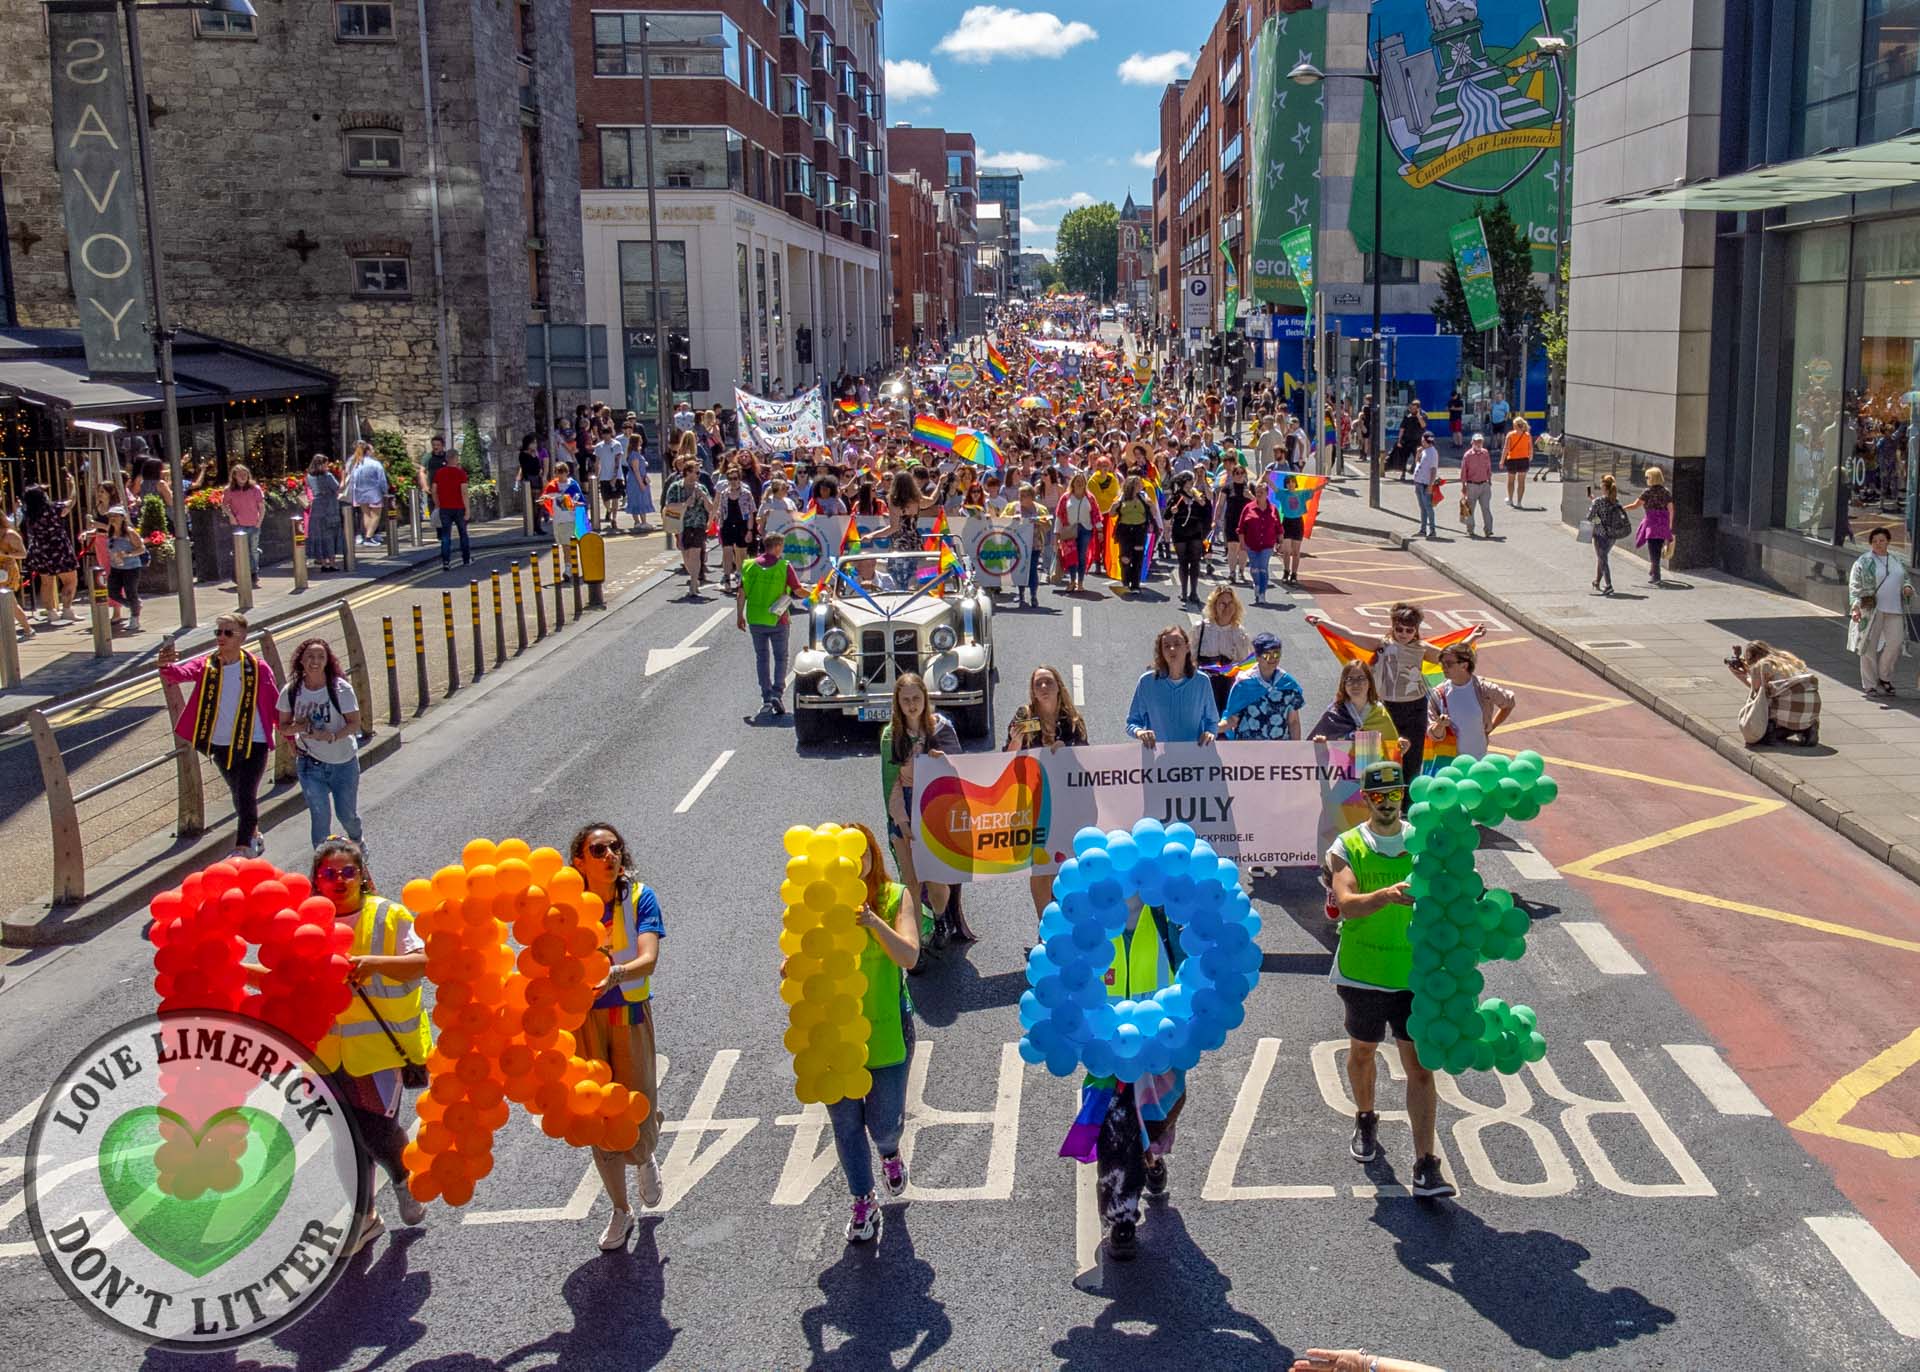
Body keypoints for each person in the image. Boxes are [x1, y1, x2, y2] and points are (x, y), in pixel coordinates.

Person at [264, 837, 430, 1255]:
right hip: (322, 1053)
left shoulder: (388, 916)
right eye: (329, 874)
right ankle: (365, 1219)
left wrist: (371, 964)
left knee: (374, 1129)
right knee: (343, 1136)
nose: (340, 881)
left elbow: (423, 963)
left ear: (363, 876)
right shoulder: (303, 925)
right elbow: (277, 980)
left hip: (380, 1053)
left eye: (348, 872)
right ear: (316, 881)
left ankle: (402, 1176)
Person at [1324, 760, 1455, 1199]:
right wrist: (1386, 895)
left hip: (1415, 975)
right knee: (1362, 1052)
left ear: (1403, 795)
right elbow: (1346, 902)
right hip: (1363, 973)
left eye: (1393, 794)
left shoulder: (1423, 841)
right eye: (1377, 796)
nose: (1385, 802)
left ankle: (1425, 1164)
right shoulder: (1347, 846)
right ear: (1365, 798)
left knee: (1418, 1067)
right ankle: (1365, 1116)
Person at [787, 821, 918, 1243]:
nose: (849, 865)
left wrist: (873, 923)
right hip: (831, 1033)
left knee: (882, 1124)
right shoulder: (816, 902)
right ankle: (863, 1200)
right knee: (845, 1125)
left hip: (886, 1030)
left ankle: (889, 1150)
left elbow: (910, 957)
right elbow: (799, 961)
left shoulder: (895, 897)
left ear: (871, 856)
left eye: (857, 855)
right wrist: (795, 966)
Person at [568, 822, 666, 1250]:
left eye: (615, 847)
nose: (610, 855)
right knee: (597, 1117)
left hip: (627, 1014)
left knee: (637, 1109)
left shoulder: (640, 898)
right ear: (579, 862)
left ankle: (645, 1155)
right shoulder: (564, 906)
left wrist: (615, 974)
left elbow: (648, 959)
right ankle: (620, 1211)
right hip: (583, 1024)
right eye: (598, 849)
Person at [1307, 604, 1477, 779]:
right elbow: (1351, 634)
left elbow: (1449, 654)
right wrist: (1322, 622)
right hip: (1386, 708)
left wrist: (1471, 638)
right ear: (1393, 627)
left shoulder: (1421, 648)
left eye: (1409, 630)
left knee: (1411, 758)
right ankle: (1378, 795)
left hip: (1415, 709)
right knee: (1381, 754)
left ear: (1416, 630)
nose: (1403, 634)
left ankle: (1407, 800)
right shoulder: (1382, 644)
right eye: (1399, 629)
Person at [158, 613, 277, 857]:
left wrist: (290, 736)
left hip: (254, 741)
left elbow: (274, 704)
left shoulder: (259, 668)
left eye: (228, 632)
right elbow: (177, 674)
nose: (221, 637)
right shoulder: (207, 665)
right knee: (238, 793)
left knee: (245, 792)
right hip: (220, 743)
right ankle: (253, 833)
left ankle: (242, 847)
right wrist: (164, 664)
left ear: (242, 637)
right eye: (218, 632)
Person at [1003, 665, 1089, 921]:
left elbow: (1088, 759)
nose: (1043, 688)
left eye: (1048, 682)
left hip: (1066, 803)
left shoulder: (1072, 721)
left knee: (1065, 863)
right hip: (1034, 802)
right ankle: (1045, 924)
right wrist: (1016, 741)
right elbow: (1006, 760)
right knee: (1040, 866)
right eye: (1038, 683)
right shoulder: (1023, 717)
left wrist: (1067, 751)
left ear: (1059, 686)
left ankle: (1067, 918)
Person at [881, 674, 961, 939]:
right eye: (906, 700)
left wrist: (942, 760)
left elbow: (959, 774)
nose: (912, 705)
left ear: (926, 699)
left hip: (932, 805)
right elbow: (890, 782)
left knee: (937, 878)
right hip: (903, 806)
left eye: (916, 698)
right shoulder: (891, 736)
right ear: (898, 703)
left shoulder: (939, 728)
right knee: (912, 881)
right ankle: (915, 941)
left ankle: (939, 918)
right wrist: (902, 822)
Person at [278, 636, 363, 850]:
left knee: (347, 815)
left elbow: (354, 723)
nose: (315, 661)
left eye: (320, 657)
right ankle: (321, 864)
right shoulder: (291, 691)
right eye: (310, 656)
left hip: (343, 762)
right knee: (320, 816)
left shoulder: (339, 689)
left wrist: (332, 736)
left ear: (327, 661)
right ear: (301, 660)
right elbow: (284, 727)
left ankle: (358, 842)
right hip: (310, 763)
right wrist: (301, 728)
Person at [736, 531, 805, 718]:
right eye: (781, 547)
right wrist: (815, 594)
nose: (782, 551)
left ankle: (766, 696)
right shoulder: (784, 566)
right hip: (778, 619)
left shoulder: (749, 566)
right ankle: (777, 693)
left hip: (756, 619)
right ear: (776, 547)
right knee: (781, 657)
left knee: (762, 658)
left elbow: (741, 593)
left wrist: (739, 616)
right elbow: (797, 590)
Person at [1126, 624, 1220, 747]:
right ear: (1161, 652)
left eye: (1177, 644)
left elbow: (1212, 721)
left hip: (1193, 757)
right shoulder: (1146, 682)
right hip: (1158, 759)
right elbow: (1132, 723)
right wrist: (1140, 732)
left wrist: (1209, 733)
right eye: (1166, 646)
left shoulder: (1202, 681)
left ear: (1187, 648)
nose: (1172, 649)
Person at [1425, 642, 1515, 763]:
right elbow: (1433, 735)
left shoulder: (1484, 689)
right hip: (1448, 763)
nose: (1443, 667)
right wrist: (1440, 725)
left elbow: (1509, 703)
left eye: (1449, 664)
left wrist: (1491, 727)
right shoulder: (1438, 695)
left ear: (1464, 665)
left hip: (1477, 761)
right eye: (1442, 663)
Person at [1849, 527, 1913, 696]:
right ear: (1870, 543)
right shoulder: (1863, 561)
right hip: (1871, 610)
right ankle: (1869, 684)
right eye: (1875, 541)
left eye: (1882, 540)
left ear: (1888, 541)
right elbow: (1855, 586)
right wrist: (1856, 608)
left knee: (1895, 644)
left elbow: (1905, 577)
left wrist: (1907, 587)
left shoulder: (1895, 560)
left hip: (1894, 609)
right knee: (1868, 647)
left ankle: (1884, 677)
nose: (1878, 544)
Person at [1729, 640, 1821, 747]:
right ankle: (1808, 729)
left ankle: (1770, 734)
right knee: (1785, 698)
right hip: (1811, 710)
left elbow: (1758, 691)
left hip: (1788, 713)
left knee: (1763, 702)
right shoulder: (1787, 657)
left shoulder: (1761, 665)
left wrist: (1741, 675)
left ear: (1751, 657)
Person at [1220, 632, 1304, 741]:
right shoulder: (1244, 684)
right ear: (1257, 656)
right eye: (1266, 655)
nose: (1272, 659)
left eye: (1276, 654)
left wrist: (1296, 749)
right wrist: (1213, 729)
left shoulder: (1288, 685)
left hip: (1278, 750)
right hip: (1248, 749)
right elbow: (1232, 718)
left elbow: (1293, 721)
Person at [21, 483, 79, 624]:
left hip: (40, 549)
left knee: (46, 582)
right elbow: (71, 503)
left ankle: (51, 612)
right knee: (70, 580)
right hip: (58, 547)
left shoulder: (29, 513)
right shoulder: (52, 508)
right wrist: (72, 487)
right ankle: (67, 609)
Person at [1310, 660, 1401, 748]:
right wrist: (1320, 745)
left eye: (1361, 678)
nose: (1356, 684)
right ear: (1343, 684)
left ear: (1370, 683)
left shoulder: (1380, 714)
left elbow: (1392, 750)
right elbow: (1308, 751)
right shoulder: (1333, 715)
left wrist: (1401, 748)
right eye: (1350, 679)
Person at [1194, 584, 1253, 714]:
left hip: (1228, 687)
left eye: (1231, 603)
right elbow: (1190, 658)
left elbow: (1245, 664)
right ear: (1214, 605)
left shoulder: (1239, 632)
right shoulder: (1200, 628)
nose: (1227, 607)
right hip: (1204, 685)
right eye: (1222, 603)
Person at [663, 458, 715, 595]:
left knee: (696, 553)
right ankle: (693, 576)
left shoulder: (701, 488)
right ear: (687, 473)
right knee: (686, 555)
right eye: (695, 473)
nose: (697, 476)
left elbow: (710, 508)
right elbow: (669, 506)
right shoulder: (676, 487)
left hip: (698, 524)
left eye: (698, 473)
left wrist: (703, 496)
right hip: (681, 525)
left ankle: (693, 582)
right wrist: (685, 503)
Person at [1165, 472, 1212, 604]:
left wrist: (1202, 504)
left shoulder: (1197, 496)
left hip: (1195, 531)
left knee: (1195, 562)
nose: (1191, 483)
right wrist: (1172, 511)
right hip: (1180, 531)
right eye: (1189, 481)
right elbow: (1167, 516)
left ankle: (1194, 592)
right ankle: (1184, 591)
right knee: (1183, 562)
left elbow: (1206, 512)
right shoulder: (1176, 497)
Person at [1625, 466, 1673, 585]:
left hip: (1652, 524)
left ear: (1652, 478)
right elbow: (1671, 509)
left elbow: (1635, 505)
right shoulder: (1666, 492)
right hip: (1663, 523)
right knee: (1657, 547)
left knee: (1653, 551)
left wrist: (1622, 508)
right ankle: (1654, 571)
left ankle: (1656, 576)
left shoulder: (1648, 492)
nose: (1646, 479)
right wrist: (1670, 525)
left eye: (1647, 477)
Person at [1585, 474, 1632, 595]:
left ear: (1604, 487)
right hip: (1613, 535)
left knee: (1602, 559)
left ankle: (1609, 585)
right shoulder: (1615, 500)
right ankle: (1597, 581)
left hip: (1600, 535)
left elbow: (1590, 517)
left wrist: (1598, 521)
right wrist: (1593, 501)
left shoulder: (1598, 502)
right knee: (1602, 558)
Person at [715, 465, 758, 594]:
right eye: (730, 479)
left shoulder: (746, 494)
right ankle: (727, 577)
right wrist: (719, 522)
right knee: (727, 551)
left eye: (735, 478)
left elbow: (751, 512)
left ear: (739, 479)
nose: (733, 481)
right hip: (727, 525)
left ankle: (741, 575)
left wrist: (750, 530)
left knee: (741, 553)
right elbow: (721, 510)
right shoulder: (724, 493)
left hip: (742, 525)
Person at [1237, 480, 1280, 606]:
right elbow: (1241, 527)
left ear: (1267, 493)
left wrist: (1280, 541)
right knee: (1254, 569)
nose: (1259, 494)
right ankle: (1257, 584)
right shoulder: (1248, 508)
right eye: (1257, 492)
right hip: (1252, 543)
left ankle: (1262, 593)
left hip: (1267, 544)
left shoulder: (1273, 509)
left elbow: (1278, 527)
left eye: (1261, 492)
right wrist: (1242, 542)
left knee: (1263, 567)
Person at [103, 506, 145, 634]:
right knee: (112, 592)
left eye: (115, 516)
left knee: (130, 591)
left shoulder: (129, 532)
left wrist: (127, 554)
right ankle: (134, 605)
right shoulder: (110, 532)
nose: (112, 519)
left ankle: (134, 618)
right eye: (110, 516)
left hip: (131, 567)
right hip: (116, 567)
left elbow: (141, 548)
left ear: (122, 518)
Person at [1111, 475, 1156, 594]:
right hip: (1124, 530)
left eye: (1140, 484)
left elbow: (1154, 512)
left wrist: (1151, 504)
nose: (1140, 486)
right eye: (1137, 484)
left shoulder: (1144, 496)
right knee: (1125, 557)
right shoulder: (1122, 497)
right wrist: (1116, 504)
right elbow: (1112, 513)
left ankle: (1135, 584)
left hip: (1139, 530)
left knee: (1137, 557)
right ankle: (1126, 580)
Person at [1055, 471, 1097, 593]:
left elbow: (1095, 514)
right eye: (1077, 481)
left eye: (1082, 482)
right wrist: (1056, 534)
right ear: (1072, 483)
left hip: (1085, 530)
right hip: (1069, 530)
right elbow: (1059, 515)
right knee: (1071, 556)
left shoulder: (1090, 498)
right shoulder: (1065, 498)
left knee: (1081, 556)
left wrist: (1099, 530)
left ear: (1085, 484)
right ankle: (1072, 581)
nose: (1079, 484)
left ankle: (1080, 582)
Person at [544, 460, 586, 577]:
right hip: (560, 520)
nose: (560, 474)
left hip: (573, 519)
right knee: (565, 546)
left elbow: (582, 502)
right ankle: (569, 568)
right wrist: (545, 499)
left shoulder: (573, 485)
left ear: (567, 472)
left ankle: (577, 568)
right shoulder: (552, 486)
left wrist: (573, 503)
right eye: (557, 472)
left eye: (562, 472)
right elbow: (545, 498)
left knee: (577, 544)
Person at [431, 450, 471, 568]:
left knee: (445, 536)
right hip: (459, 508)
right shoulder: (461, 473)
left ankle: (446, 562)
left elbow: (434, 490)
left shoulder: (439, 473)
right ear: (456, 458)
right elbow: (464, 492)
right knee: (463, 534)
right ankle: (466, 559)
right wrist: (467, 510)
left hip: (444, 508)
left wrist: (437, 504)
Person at [305, 455, 345, 572]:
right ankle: (332, 564)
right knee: (330, 536)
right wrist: (343, 477)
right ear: (321, 464)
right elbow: (338, 488)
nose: (327, 467)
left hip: (316, 507)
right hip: (329, 507)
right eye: (326, 464)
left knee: (319, 536)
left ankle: (323, 563)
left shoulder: (309, 476)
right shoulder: (327, 476)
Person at [345, 441, 388, 545]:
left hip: (360, 492)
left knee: (366, 514)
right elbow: (382, 479)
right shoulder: (375, 463)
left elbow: (352, 477)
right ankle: (369, 537)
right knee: (376, 515)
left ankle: (367, 535)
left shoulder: (356, 463)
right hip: (374, 492)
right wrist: (385, 490)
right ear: (368, 451)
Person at [1218, 463, 1254, 587]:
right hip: (1231, 520)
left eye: (1241, 473)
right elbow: (1220, 504)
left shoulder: (1249, 487)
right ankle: (1232, 572)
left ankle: (1242, 571)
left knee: (1243, 548)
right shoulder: (1227, 487)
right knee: (1232, 546)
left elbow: (1259, 503)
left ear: (1245, 474)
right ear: (1232, 475)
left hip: (1246, 522)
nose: (1239, 476)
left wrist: (1250, 496)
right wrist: (1215, 519)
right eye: (1236, 473)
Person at [1, 509, 33, 640]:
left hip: (6, 571)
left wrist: (5, 554)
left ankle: (27, 628)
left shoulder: (9, 535)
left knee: (10, 602)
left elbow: (23, 554)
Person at [1458, 434, 1494, 538]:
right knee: (1470, 509)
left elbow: (1488, 467)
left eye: (1480, 442)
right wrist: (1463, 485)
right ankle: (1470, 530)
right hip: (1471, 485)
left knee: (1486, 508)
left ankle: (1488, 530)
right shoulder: (1467, 455)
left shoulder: (1485, 453)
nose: (1479, 444)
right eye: (1476, 442)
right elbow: (1464, 471)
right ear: (1472, 443)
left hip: (1484, 484)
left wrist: (1489, 480)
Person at [623, 430, 657, 534]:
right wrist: (641, 483)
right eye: (640, 440)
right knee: (639, 499)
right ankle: (642, 522)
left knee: (636, 500)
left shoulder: (635, 453)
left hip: (636, 479)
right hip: (636, 481)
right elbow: (636, 470)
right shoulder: (634, 455)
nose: (642, 441)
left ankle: (638, 522)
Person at [1412, 431, 1440, 540]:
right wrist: (1418, 454)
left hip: (1425, 484)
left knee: (1428, 507)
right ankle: (1423, 529)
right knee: (1422, 507)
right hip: (1419, 482)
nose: (1421, 441)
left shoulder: (1432, 453)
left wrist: (1430, 485)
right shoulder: (1424, 451)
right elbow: (1418, 463)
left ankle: (1432, 530)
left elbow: (1433, 470)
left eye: (1423, 440)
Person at [518, 434, 549, 533]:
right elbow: (528, 468)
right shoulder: (523, 454)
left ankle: (538, 526)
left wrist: (535, 456)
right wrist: (533, 457)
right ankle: (532, 526)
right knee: (532, 506)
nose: (534, 445)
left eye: (535, 443)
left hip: (537, 481)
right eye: (532, 443)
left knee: (539, 505)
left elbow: (538, 468)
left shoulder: (535, 454)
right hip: (529, 481)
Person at [1502, 416, 1534, 508]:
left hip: (1512, 459)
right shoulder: (1527, 435)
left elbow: (1506, 449)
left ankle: (1510, 499)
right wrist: (1530, 457)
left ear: (1515, 425)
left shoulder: (1510, 434)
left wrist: (1501, 460)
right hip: (1524, 460)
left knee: (1511, 481)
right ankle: (1519, 502)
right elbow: (1530, 448)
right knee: (1521, 482)